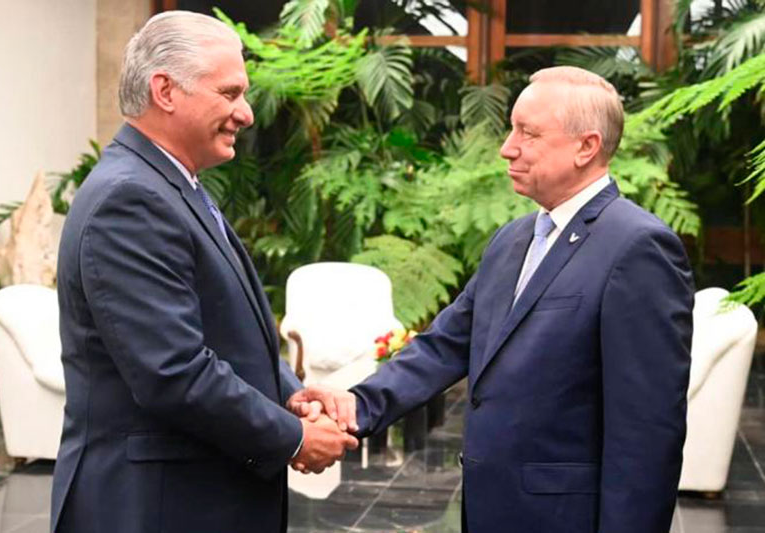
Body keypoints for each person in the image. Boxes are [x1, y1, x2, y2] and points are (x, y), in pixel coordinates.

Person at [349, 66, 694, 533]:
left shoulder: (637, 248)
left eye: (528, 133)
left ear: (586, 146)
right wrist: (356, 407)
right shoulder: (512, 239)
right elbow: (446, 344)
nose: (507, 147)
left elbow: (647, 433)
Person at [51, 11, 357, 533]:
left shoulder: (170, 184)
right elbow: (173, 371)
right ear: (165, 90)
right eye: (230, 93)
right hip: (155, 507)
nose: (247, 114)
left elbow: (220, 330)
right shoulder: (130, 200)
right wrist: (295, 437)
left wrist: (290, 393)